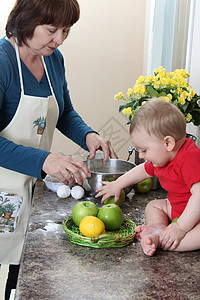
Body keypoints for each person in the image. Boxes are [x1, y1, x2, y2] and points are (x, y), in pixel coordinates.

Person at [0, 0, 117, 297]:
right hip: (3, 188)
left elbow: (63, 112)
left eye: (66, 30)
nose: (60, 39)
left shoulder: (53, 59)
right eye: (52, 30)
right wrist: (46, 160)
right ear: (25, 21)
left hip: (33, 188)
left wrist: (89, 136)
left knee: (23, 274)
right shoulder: (2, 63)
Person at [96, 98, 200, 256]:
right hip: (177, 209)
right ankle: (159, 228)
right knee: (154, 206)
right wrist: (118, 184)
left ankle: (165, 241)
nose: (142, 155)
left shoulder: (190, 158)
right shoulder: (163, 158)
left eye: (144, 150)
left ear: (168, 143)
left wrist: (180, 227)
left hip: (196, 216)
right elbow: (142, 170)